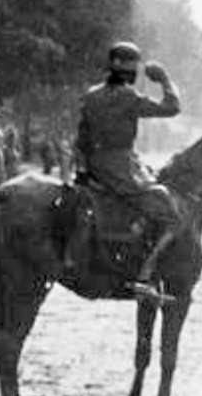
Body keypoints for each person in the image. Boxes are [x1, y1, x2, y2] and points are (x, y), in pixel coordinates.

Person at [71, 41, 182, 294]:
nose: (135, 72)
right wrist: (164, 79)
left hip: (94, 166)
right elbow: (172, 108)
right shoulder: (128, 97)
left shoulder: (90, 95)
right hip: (121, 168)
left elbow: (81, 139)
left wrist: (83, 169)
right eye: (133, 66)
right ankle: (144, 275)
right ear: (120, 66)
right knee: (170, 214)